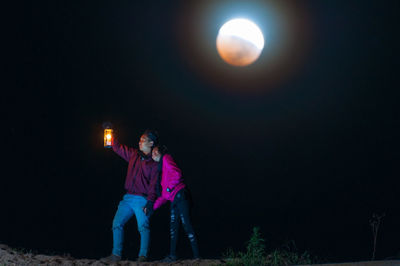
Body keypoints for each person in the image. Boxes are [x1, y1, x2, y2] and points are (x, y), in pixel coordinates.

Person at [102, 129, 160, 263]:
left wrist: (150, 202)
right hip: (128, 197)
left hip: (142, 199)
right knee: (117, 223)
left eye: (143, 140)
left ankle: (142, 256)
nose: (139, 142)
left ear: (151, 143)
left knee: (143, 227)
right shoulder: (134, 154)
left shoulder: (154, 163)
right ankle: (116, 255)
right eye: (139, 139)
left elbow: (154, 186)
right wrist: (109, 132)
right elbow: (118, 148)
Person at [149, 145, 200, 262]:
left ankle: (197, 256)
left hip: (180, 195)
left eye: (154, 151)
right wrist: (153, 208)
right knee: (173, 228)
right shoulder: (161, 169)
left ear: (159, 152)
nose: (153, 154)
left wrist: (168, 189)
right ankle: (173, 256)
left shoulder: (166, 158)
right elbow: (163, 196)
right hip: (174, 199)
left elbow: (177, 174)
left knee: (186, 224)